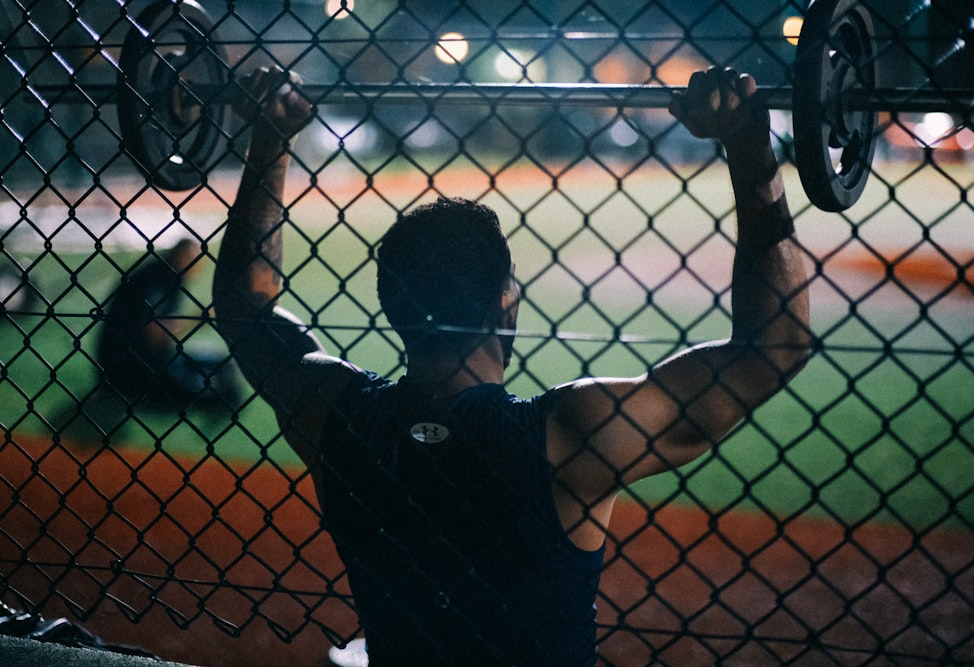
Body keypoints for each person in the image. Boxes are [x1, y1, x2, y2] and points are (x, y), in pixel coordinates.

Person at [213, 66, 811, 666]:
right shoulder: (570, 434)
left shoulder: (334, 413)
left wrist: (270, 140)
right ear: (506, 300)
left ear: (391, 304)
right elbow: (775, 347)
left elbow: (244, 305)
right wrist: (748, 142)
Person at [98, 238, 239, 410]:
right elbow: (155, 335)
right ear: (181, 257)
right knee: (215, 395)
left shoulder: (167, 275)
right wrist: (198, 319)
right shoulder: (157, 280)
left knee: (223, 366)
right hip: (129, 368)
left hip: (149, 358)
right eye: (195, 262)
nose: (198, 268)